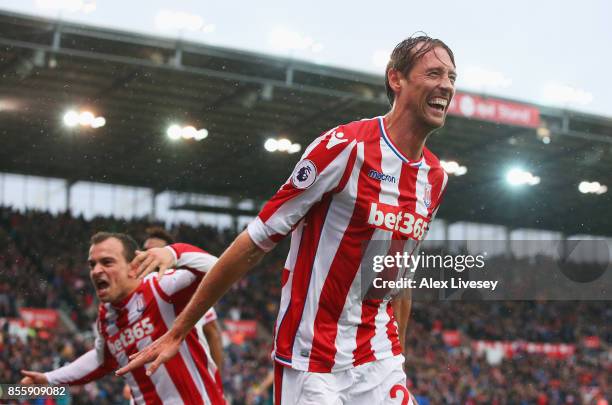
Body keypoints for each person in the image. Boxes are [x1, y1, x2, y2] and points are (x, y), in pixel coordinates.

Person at [118, 35, 456, 404]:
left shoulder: (434, 178)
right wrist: (179, 330)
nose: (446, 85)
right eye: (434, 73)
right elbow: (256, 240)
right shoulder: (345, 148)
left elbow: (398, 277)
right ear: (397, 79)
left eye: (452, 77)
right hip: (311, 358)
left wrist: (398, 359)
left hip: (378, 357)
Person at [21, 232, 226, 405]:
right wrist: (49, 379)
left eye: (107, 262)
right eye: (92, 264)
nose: (96, 271)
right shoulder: (105, 317)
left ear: (133, 267)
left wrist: (173, 252)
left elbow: (221, 268)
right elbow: (102, 360)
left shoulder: (162, 287)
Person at [143, 227, 225, 380]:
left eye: (156, 251)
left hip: (187, 378)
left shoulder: (189, 290)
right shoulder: (136, 292)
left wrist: (217, 381)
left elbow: (213, 333)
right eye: (146, 250)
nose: (150, 255)